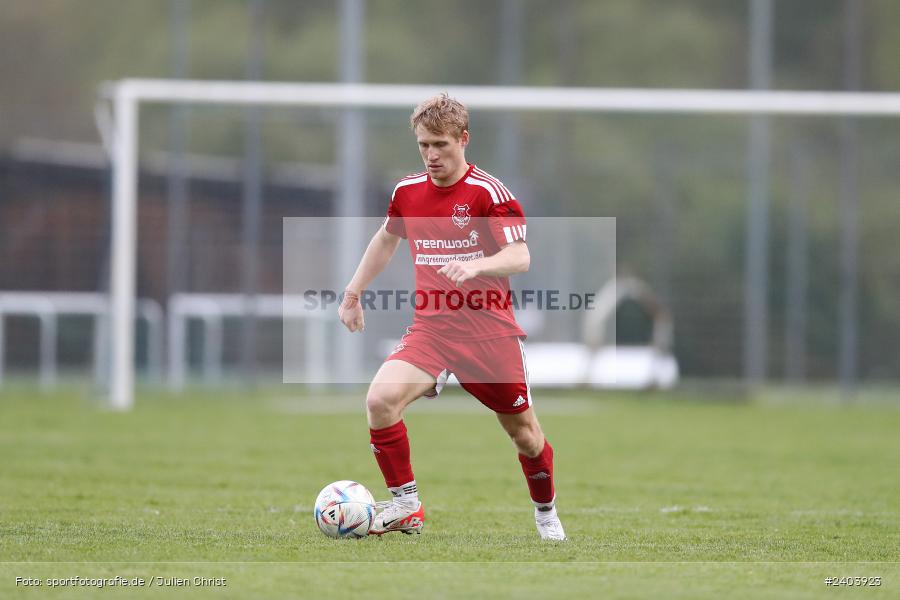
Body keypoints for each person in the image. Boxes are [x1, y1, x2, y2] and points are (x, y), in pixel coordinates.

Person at [338, 93, 565, 541]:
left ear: (464, 139)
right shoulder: (407, 191)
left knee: (526, 437)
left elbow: (520, 256)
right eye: (423, 144)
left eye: (440, 144)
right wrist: (353, 292)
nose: (431, 154)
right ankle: (406, 504)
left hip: (490, 336)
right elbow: (386, 239)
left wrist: (477, 265)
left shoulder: (489, 193)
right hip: (433, 330)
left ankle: (546, 513)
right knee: (380, 402)